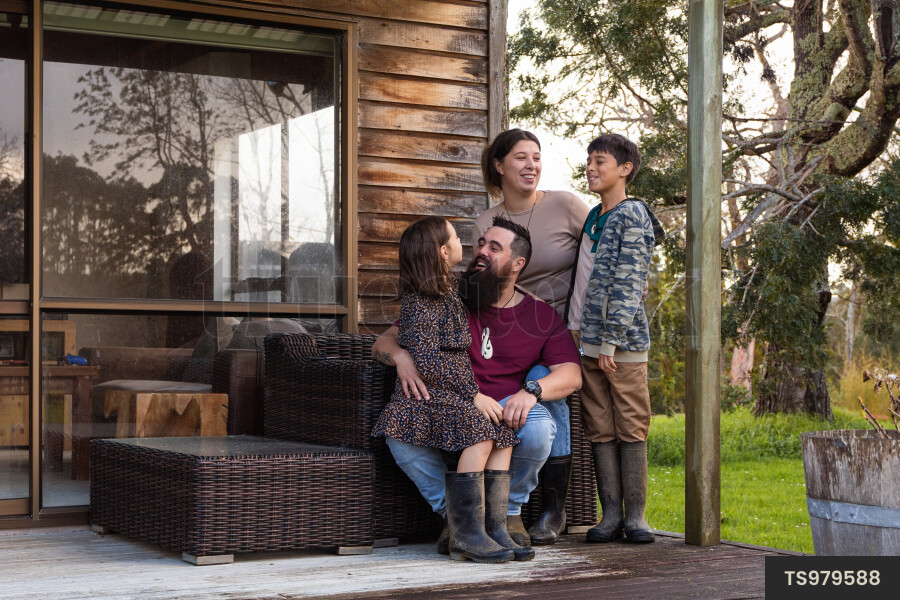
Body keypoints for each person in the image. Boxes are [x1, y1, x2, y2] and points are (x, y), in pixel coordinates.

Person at [372, 217, 582, 552]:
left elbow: (572, 374)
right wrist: (400, 357)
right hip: (451, 402)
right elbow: (384, 342)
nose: (480, 251)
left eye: (493, 248)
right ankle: (458, 518)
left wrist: (531, 393)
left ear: (518, 264)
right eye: (480, 242)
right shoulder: (448, 294)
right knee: (399, 435)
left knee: (539, 430)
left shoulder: (540, 315)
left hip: (507, 404)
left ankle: (507, 514)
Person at [472, 128, 590, 545]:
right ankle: (504, 509)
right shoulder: (487, 221)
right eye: (521, 158)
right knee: (531, 386)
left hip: (563, 328)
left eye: (537, 157)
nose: (531, 165)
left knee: (542, 387)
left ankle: (553, 508)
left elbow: (599, 249)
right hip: (512, 330)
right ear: (500, 166)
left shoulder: (566, 204)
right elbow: (484, 279)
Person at [566, 134, 664, 544]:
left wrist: (610, 341)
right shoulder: (593, 216)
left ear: (624, 169)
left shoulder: (632, 214)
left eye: (600, 160)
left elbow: (628, 281)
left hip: (618, 344)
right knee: (600, 427)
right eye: (589, 160)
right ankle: (609, 516)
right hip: (585, 341)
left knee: (630, 423)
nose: (591, 166)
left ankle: (636, 517)